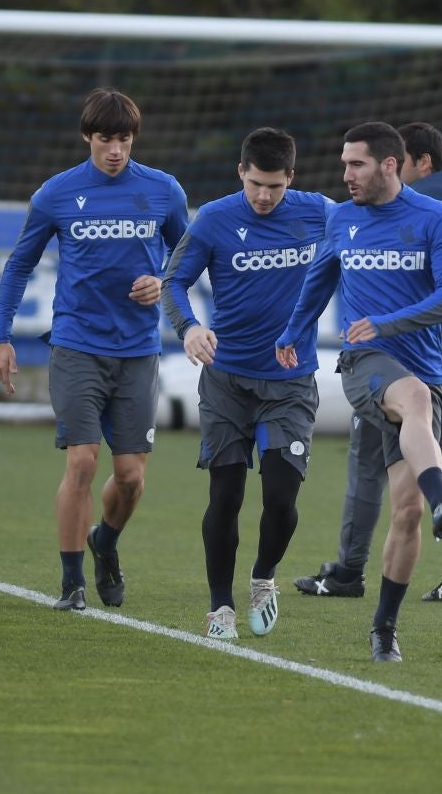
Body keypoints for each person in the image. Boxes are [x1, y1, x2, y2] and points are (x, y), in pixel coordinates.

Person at [276, 120, 442, 662]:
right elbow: (319, 280)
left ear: (391, 164)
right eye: (343, 165)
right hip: (363, 363)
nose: (346, 176)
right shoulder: (342, 219)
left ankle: (384, 628)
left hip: (422, 369)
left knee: (405, 512)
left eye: (356, 164)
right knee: (408, 401)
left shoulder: (436, 218)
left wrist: (387, 322)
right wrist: (292, 334)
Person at [0, 88, 188, 612]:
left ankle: (106, 542)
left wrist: (161, 282)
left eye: (123, 139)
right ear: (87, 137)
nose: (115, 150)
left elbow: (189, 258)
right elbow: (18, 266)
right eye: (105, 139)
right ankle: (71, 583)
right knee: (82, 462)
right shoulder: (57, 193)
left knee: (130, 478)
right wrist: (1, 336)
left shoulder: (164, 191)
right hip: (76, 344)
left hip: (139, 351)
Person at [161, 128, 333, 639]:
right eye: (256, 183)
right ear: (241, 173)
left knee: (281, 496)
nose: (264, 196)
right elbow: (173, 281)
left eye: (275, 187)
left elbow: (366, 242)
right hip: (227, 381)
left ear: (291, 180)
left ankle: (263, 578)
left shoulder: (319, 212)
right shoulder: (214, 218)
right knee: (226, 496)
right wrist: (189, 328)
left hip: (290, 380)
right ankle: (220, 608)